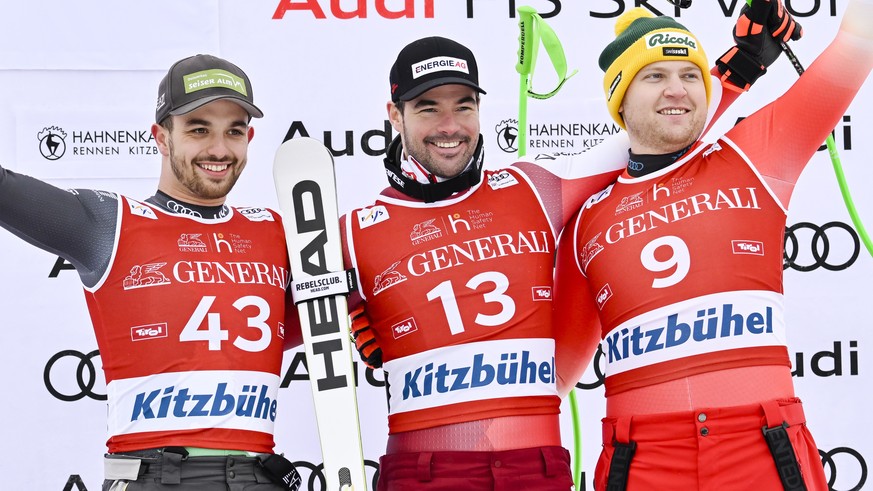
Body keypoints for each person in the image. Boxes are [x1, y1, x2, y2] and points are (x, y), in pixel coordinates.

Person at [342, 12, 798, 488]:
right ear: (394, 115)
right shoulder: (352, 232)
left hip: (536, 465)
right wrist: (340, 309)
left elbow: (650, 132)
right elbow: (276, 322)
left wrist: (740, 68)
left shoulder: (531, 189)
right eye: (427, 107)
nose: (449, 125)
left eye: (464, 105)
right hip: (422, 470)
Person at [554, 1, 872, 489]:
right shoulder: (585, 220)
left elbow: (856, 43)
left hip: (762, 445)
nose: (677, 89)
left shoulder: (755, 154)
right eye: (654, 76)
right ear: (619, 97)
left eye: (691, 74)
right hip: (640, 459)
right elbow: (553, 376)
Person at [0, 54, 303, 490]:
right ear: (161, 137)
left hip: (259, 474)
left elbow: (307, 323)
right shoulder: (109, 223)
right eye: (199, 129)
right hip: (155, 475)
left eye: (233, 131)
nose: (219, 149)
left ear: (249, 137)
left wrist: (359, 317)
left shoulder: (276, 230)